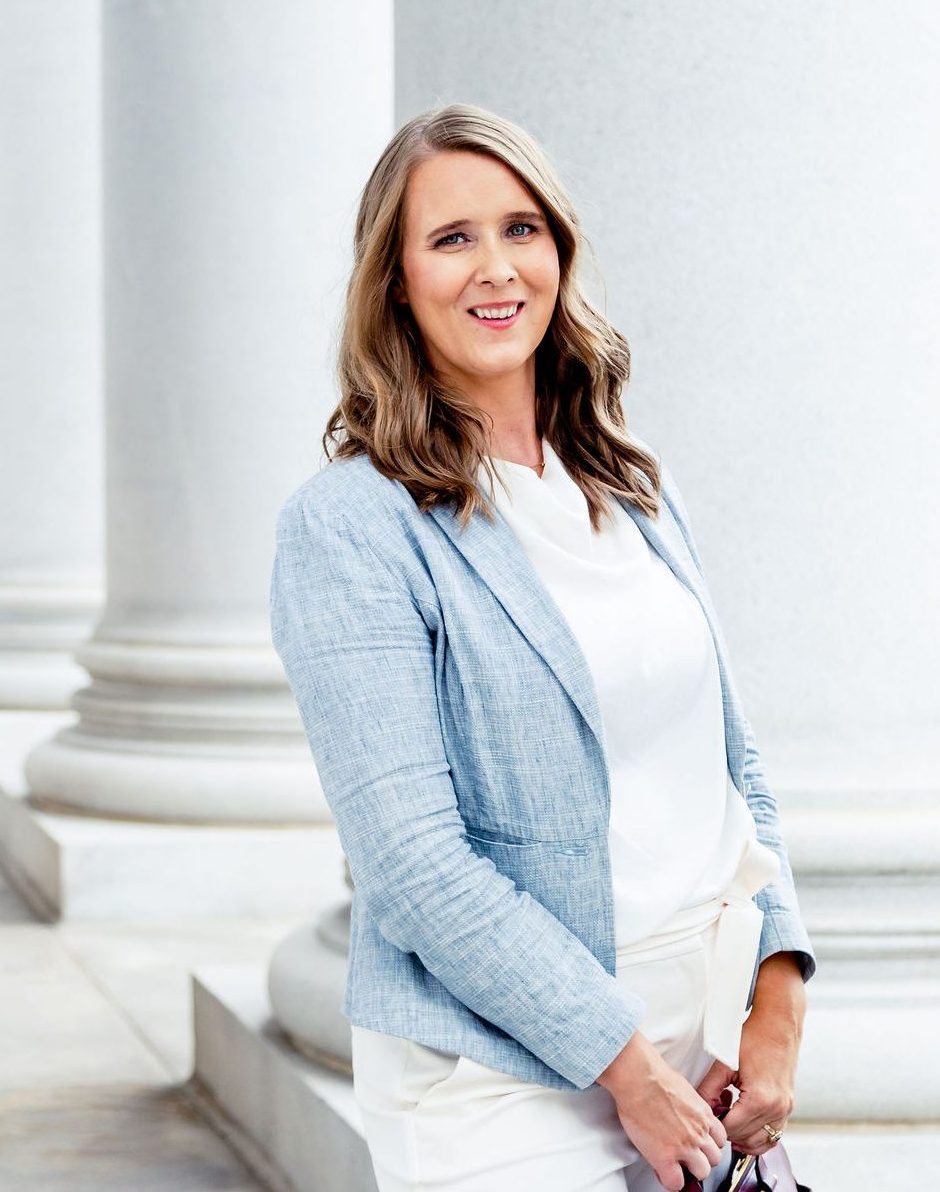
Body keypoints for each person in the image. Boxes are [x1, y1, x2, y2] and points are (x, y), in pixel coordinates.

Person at [269, 102, 816, 1192]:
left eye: (520, 228)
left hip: (697, 1052)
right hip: (491, 1076)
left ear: (559, 249)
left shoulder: (631, 481)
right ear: (394, 281)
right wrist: (626, 1070)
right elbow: (414, 867)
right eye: (450, 237)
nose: (495, 267)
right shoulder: (349, 524)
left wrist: (779, 991)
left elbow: (732, 765)